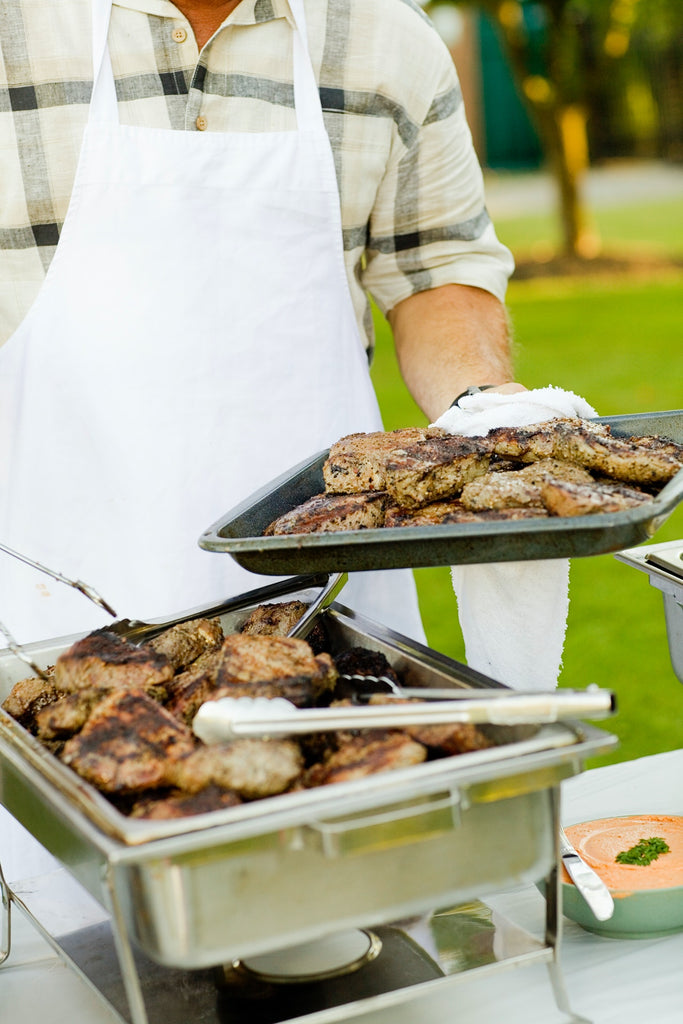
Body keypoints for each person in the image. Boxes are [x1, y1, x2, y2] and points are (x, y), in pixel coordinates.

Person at [0, 0, 523, 654]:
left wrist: (484, 412)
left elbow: (435, 267)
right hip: (45, 611)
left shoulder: (388, 37)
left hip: (320, 607)